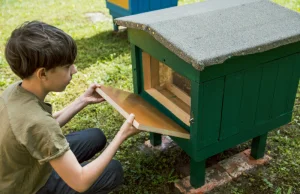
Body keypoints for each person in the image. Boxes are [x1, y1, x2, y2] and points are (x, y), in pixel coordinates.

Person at [0, 21, 140, 194]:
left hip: (24, 166)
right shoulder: (38, 122)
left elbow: (39, 132)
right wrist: (122, 134)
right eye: (67, 67)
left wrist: (82, 100)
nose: (74, 70)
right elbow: (80, 182)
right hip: (28, 187)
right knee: (113, 171)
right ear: (42, 73)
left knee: (95, 136)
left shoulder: (14, 91)